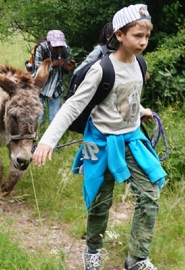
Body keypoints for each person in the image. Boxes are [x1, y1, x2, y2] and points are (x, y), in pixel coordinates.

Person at [33, 4, 166, 270]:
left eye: (146, 37)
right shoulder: (101, 69)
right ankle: (93, 250)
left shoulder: (140, 64)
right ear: (119, 35)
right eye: (137, 36)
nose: (143, 42)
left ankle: (137, 258)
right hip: (102, 142)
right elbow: (72, 105)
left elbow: (126, 98)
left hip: (131, 139)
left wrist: (142, 111)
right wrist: (48, 139)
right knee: (100, 200)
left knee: (150, 194)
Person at [32, 30, 75, 124]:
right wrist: (52, 65)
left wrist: (67, 69)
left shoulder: (66, 49)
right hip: (40, 86)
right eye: (56, 47)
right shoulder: (41, 49)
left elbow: (63, 72)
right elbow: (38, 72)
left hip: (56, 86)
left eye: (61, 47)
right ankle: (38, 134)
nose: (59, 50)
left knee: (55, 119)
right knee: (39, 118)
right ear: (48, 43)